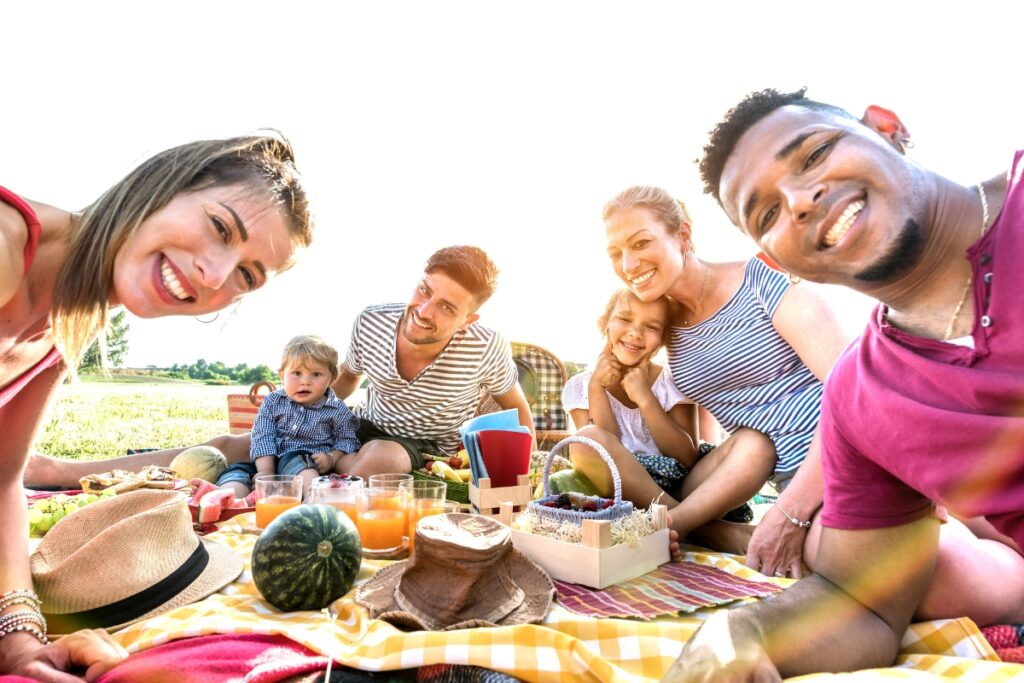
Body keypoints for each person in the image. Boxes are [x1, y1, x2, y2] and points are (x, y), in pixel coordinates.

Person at [661, 88, 1024, 681]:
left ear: (888, 128)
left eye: (814, 154)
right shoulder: (866, 395)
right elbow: (863, 601)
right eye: (768, 214)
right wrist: (738, 633)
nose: (799, 201)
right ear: (774, 259)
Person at [1, 134, 312, 679]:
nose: (214, 276)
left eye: (245, 276)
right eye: (219, 227)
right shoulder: (7, 243)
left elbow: (3, 479)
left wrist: (19, 643)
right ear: (162, 183)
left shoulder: (71, 317)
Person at [579, 185, 851, 566]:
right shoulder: (664, 324)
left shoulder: (760, 280)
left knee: (836, 560)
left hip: (839, 464)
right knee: (752, 443)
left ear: (684, 235)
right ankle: (700, 528)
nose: (628, 265)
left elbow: (858, 392)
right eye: (615, 254)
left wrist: (789, 513)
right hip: (774, 470)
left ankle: (672, 527)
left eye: (641, 243)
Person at [330, 245, 535, 476]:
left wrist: (530, 474)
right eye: (424, 290)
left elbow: (516, 407)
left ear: (468, 321)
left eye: (446, 307)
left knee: (382, 459)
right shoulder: (371, 322)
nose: (424, 311)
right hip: (364, 425)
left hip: (427, 447)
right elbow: (348, 375)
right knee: (293, 445)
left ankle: (337, 473)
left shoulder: (485, 347)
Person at [216, 335, 360, 500]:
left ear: (331, 378)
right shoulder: (273, 401)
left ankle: (315, 500)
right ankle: (227, 501)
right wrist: (265, 471)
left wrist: (332, 457)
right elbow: (263, 435)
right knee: (237, 472)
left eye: (316, 374)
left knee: (302, 464)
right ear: (281, 374)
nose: (305, 381)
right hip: (265, 463)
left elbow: (348, 439)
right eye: (297, 373)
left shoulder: (337, 409)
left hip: (304, 464)